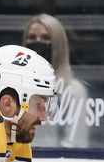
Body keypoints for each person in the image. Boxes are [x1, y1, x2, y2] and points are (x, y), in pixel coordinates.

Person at [21, 13, 90, 148]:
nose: (38, 42)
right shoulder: (15, 86)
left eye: (46, 38)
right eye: (32, 38)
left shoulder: (72, 89)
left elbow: (75, 142)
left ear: (57, 44)